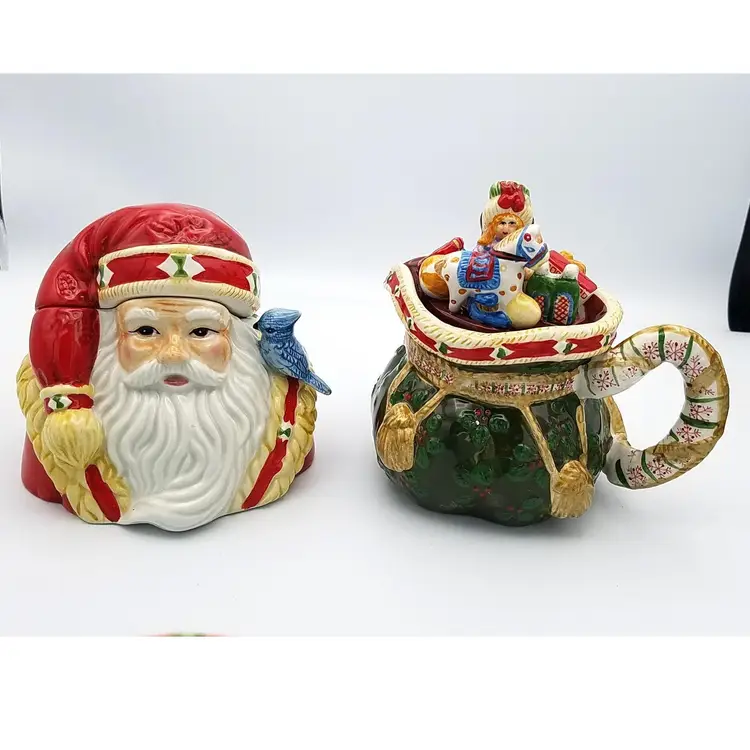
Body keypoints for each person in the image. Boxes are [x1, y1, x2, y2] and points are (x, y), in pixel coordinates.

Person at [17, 204, 317, 532]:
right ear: (108, 338)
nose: (173, 355)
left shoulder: (284, 410)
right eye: (146, 331)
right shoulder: (57, 422)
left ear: (239, 340)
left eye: (200, 332)